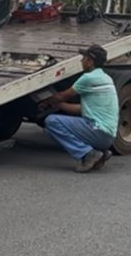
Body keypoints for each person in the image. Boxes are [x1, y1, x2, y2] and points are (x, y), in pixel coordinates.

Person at [41, 44, 119, 173]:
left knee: (51, 121)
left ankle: (87, 154)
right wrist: (59, 106)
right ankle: (101, 152)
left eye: (84, 58)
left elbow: (62, 96)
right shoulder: (106, 78)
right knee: (51, 130)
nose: (81, 61)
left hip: (98, 131)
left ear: (90, 61)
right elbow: (81, 109)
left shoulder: (88, 78)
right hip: (108, 136)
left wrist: (47, 101)